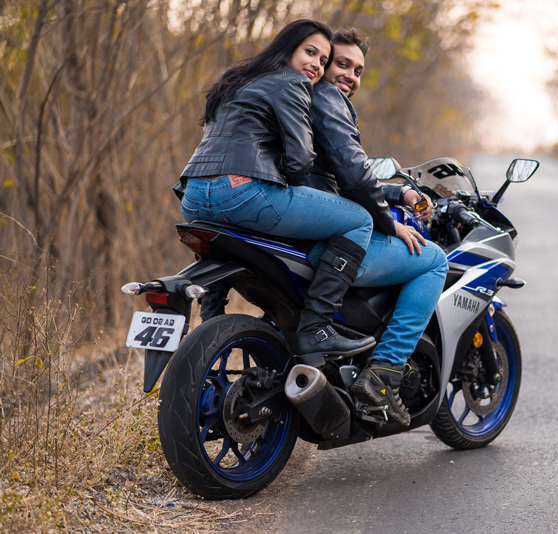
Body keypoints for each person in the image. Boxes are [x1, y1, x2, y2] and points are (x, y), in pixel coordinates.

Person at [179, 20, 375, 361]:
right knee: (358, 220)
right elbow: (300, 161)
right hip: (241, 192)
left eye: (323, 60)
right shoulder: (293, 83)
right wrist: (294, 188)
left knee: (225, 239)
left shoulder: (235, 78)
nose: (316, 64)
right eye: (310, 52)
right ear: (288, 48)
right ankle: (317, 329)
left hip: (194, 196)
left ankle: (210, 322)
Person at [304, 28, 449, 426]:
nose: (350, 75)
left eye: (359, 70)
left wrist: (397, 192)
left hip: (303, 226)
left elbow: (332, 174)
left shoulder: (300, 99)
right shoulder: (327, 98)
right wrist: (392, 223)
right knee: (433, 260)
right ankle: (384, 372)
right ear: (322, 63)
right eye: (342, 64)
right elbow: (352, 175)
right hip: (329, 241)